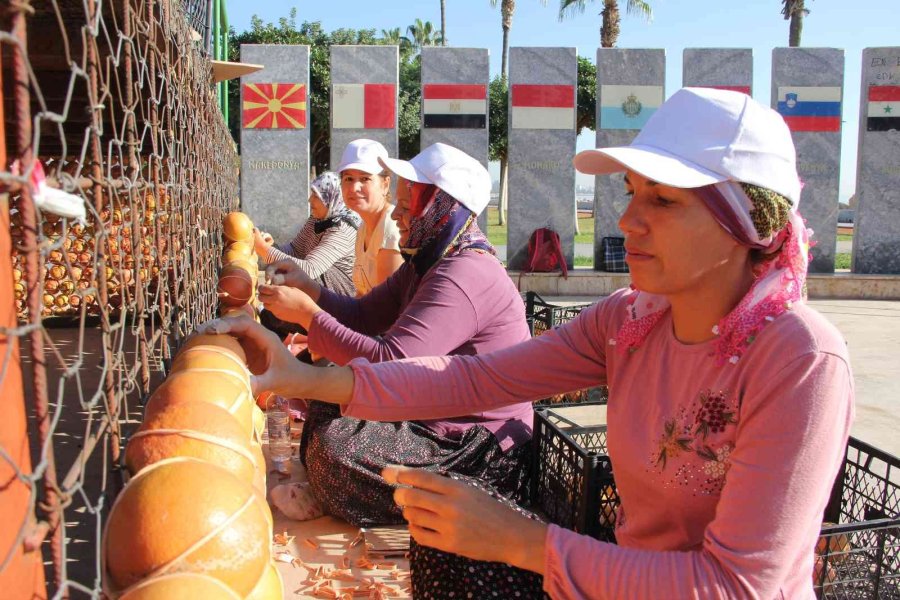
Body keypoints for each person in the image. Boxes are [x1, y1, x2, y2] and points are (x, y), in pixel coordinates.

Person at [202, 88, 854, 598]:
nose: (629, 219)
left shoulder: (797, 360)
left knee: (452, 513)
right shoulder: (631, 319)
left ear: (740, 223)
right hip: (620, 574)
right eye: (633, 193)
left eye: (664, 201)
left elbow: (738, 588)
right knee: (442, 530)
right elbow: (471, 380)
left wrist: (527, 545)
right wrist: (303, 378)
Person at [255, 143, 536, 527]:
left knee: (333, 450)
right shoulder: (429, 259)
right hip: (429, 416)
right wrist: (311, 290)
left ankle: (458, 506)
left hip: (475, 446)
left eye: (409, 204)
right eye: (400, 202)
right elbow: (364, 314)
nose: (398, 214)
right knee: (323, 408)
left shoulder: (465, 272)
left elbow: (392, 363)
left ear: (443, 208)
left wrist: (309, 317)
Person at [253, 171, 358, 298]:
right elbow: (295, 250)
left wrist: (264, 250)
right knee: (282, 271)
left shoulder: (342, 230)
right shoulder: (317, 218)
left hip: (341, 296)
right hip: (318, 281)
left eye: (316, 195)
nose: (309, 200)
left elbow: (309, 270)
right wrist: (272, 247)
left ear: (331, 199)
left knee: (288, 275)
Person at [335, 139, 403, 296]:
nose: (354, 188)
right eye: (348, 179)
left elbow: (387, 306)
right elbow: (361, 295)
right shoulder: (363, 228)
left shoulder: (391, 227)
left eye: (365, 179)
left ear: (385, 184)